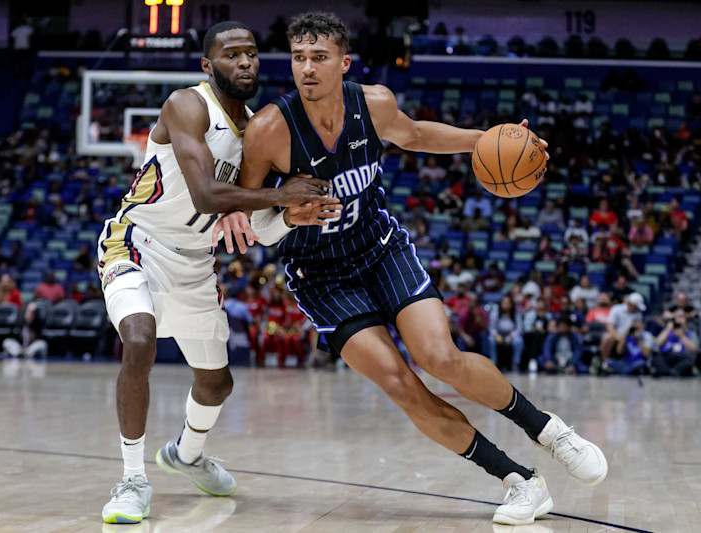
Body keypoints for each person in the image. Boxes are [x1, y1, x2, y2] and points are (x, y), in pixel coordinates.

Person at [215, 12, 606, 525]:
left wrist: (491, 138)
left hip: (380, 247)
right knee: (403, 386)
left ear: (343, 62)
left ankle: (550, 431)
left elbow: (417, 135)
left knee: (440, 357)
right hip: (321, 274)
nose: (306, 68)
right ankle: (520, 482)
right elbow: (244, 207)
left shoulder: (373, 103)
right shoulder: (270, 128)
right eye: (298, 57)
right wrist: (286, 214)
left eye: (319, 57)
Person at [96, 21, 336, 524]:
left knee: (217, 383)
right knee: (138, 340)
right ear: (209, 65)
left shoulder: (257, 130)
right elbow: (207, 195)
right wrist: (279, 196)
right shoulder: (187, 104)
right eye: (231, 55)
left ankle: (186, 454)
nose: (245, 62)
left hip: (196, 262)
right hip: (139, 243)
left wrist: (290, 217)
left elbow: (254, 229)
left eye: (251, 54)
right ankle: (132, 479)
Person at [600, 292, 645, 367]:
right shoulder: (617, 309)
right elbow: (610, 326)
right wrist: (617, 337)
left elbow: (640, 329)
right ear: (630, 304)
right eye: (636, 306)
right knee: (607, 338)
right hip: (616, 336)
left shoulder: (638, 314)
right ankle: (605, 363)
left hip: (630, 337)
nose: (637, 308)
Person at [651, 309, 698, 377]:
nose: (679, 320)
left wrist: (682, 336)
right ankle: (669, 372)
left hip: (681, 358)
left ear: (686, 320)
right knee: (656, 356)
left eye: (681, 317)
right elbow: (657, 344)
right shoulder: (668, 331)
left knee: (690, 359)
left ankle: (671, 372)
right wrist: (668, 330)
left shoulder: (690, 333)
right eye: (677, 317)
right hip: (667, 357)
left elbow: (694, 349)